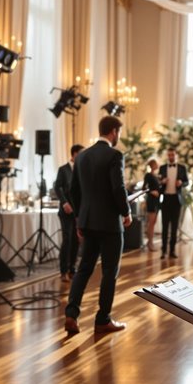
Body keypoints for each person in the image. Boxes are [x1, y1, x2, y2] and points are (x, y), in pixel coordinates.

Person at [64, 116, 132, 335]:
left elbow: (73, 191)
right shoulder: (114, 155)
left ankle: (71, 314)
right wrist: (126, 211)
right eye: (119, 132)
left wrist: (79, 218)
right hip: (110, 224)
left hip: (87, 221)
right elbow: (117, 188)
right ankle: (102, 319)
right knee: (109, 272)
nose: (119, 136)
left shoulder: (82, 156)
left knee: (83, 269)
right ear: (113, 131)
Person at [54, 144, 83, 281]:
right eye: (81, 153)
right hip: (66, 211)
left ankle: (72, 268)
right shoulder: (63, 169)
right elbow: (57, 187)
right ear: (75, 154)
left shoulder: (82, 170)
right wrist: (64, 203)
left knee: (76, 240)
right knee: (67, 240)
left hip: (78, 212)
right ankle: (63, 271)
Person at [157, 147, 188, 259]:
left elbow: (186, 182)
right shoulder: (162, 168)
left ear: (176, 155)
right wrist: (162, 182)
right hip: (165, 199)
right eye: (169, 155)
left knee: (174, 226)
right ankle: (163, 251)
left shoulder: (182, 168)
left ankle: (172, 251)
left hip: (176, 199)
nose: (171, 157)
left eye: (173, 155)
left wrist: (181, 182)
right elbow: (158, 183)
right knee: (165, 226)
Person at [143, 158, 161, 251]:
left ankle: (150, 242)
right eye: (156, 163)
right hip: (151, 200)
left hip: (157, 201)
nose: (158, 164)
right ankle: (150, 243)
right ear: (153, 165)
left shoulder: (156, 176)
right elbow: (144, 188)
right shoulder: (148, 175)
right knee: (151, 223)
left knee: (153, 222)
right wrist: (151, 192)